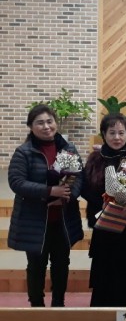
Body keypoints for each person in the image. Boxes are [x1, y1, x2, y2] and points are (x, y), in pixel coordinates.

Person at [7, 104, 83, 307]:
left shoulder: (68, 148)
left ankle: (59, 303)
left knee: (61, 263)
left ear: (56, 123)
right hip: (35, 220)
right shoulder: (24, 152)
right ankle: (37, 306)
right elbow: (17, 182)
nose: (46, 126)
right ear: (31, 126)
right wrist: (49, 191)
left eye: (50, 121)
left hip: (63, 220)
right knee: (36, 265)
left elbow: (79, 177)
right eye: (40, 123)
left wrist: (67, 196)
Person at [82, 113, 126, 307]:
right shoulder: (95, 159)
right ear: (104, 134)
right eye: (112, 133)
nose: (117, 137)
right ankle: (104, 315)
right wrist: (106, 203)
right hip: (105, 224)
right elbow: (86, 188)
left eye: (121, 132)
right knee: (106, 272)